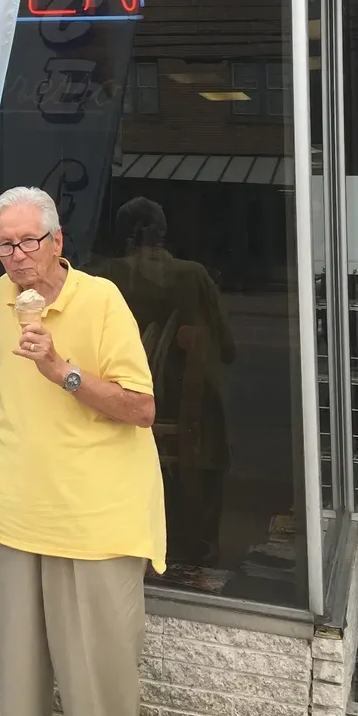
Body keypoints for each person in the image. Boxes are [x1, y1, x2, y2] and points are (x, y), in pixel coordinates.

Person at [0, 186, 165, 716]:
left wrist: (63, 371)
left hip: (94, 519)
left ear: (57, 242)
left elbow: (142, 407)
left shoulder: (100, 300)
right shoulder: (1, 300)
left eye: (29, 241)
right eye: (5, 244)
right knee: (18, 671)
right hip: (17, 511)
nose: (17, 255)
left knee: (98, 679)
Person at [100, 197, 235, 568]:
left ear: (123, 237)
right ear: (163, 233)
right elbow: (228, 349)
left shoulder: (103, 275)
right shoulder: (193, 274)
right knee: (211, 424)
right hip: (183, 404)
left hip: (111, 400)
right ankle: (199, 543)